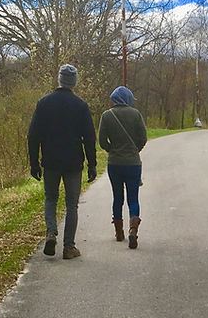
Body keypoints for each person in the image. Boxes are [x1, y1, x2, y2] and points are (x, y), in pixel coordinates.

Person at [27, 64, 97, 259]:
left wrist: (34, 163)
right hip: (73, 162)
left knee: (50, 199)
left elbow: (33, 136)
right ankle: (69, 247)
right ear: (73, 82)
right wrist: (92, 165)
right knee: (71, 204)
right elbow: (90, 138)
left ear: (59, 79)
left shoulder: (44, 103)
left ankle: (51, 232)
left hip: (50, 161)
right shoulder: (80, 106)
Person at [98, 86, 148, 249]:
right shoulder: (136, 114)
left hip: (115, 163)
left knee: (117, 197)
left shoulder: (107, 115)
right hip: (133, 163)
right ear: (127, 99)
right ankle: (133, 230)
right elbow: (143, 137)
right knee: (133, 198)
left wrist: (111, 150)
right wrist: (136, 149)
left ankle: (119, 233)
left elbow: (102, 141)